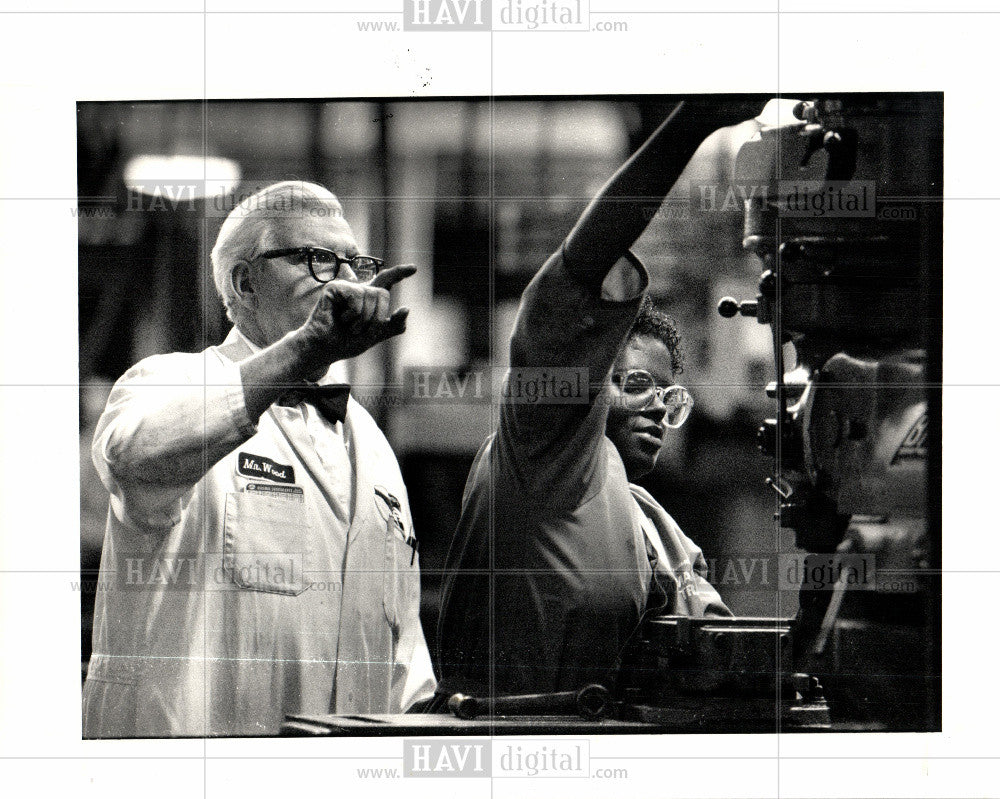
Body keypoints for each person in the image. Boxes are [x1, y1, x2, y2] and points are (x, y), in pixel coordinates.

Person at [83, 181, 435, 737]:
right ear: (244, 282)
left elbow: (403, 643)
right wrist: (301, 350)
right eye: (317, 259)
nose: (344, 281)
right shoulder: (170, 381)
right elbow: (132, 457)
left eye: (352, 263)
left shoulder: (369, 440)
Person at [437, 101, 751, 699]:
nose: (659, 408)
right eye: (635, 385)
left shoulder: (650, 523)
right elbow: (582, 268)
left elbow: (711, 631)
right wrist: (689, 125)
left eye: (669, 396)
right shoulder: (543, 452)